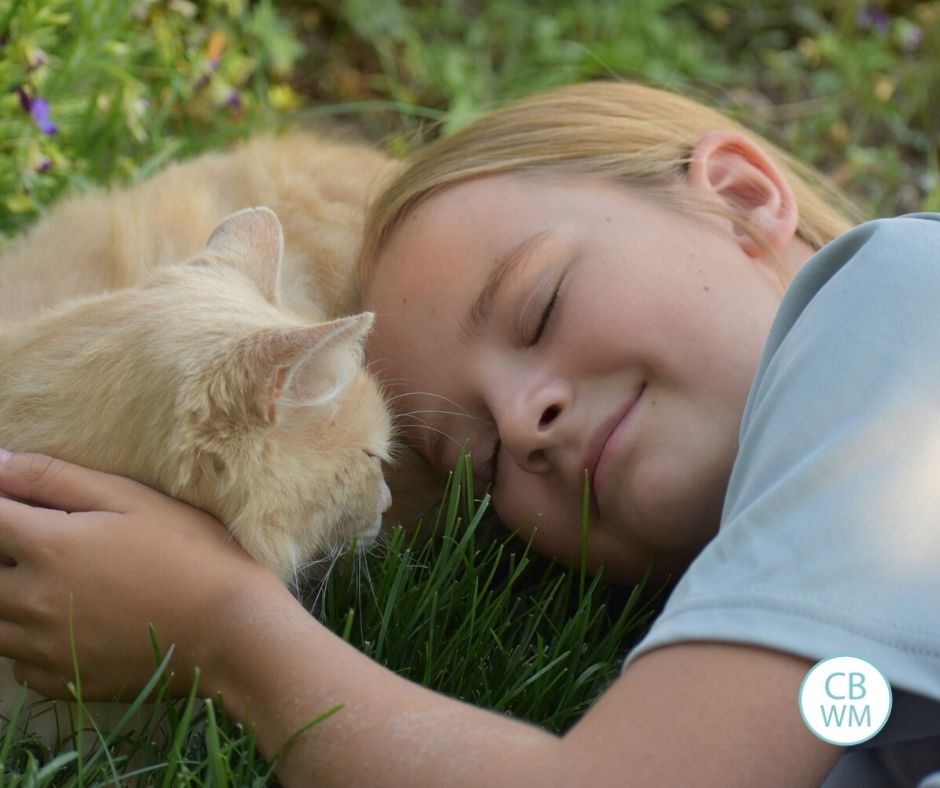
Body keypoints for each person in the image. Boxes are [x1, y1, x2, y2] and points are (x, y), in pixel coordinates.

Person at [1, 80, 939, 787]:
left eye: (540, 307)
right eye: (481, 462)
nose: (525, 424)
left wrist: (225, 629)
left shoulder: (897, 306)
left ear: (737, 194)